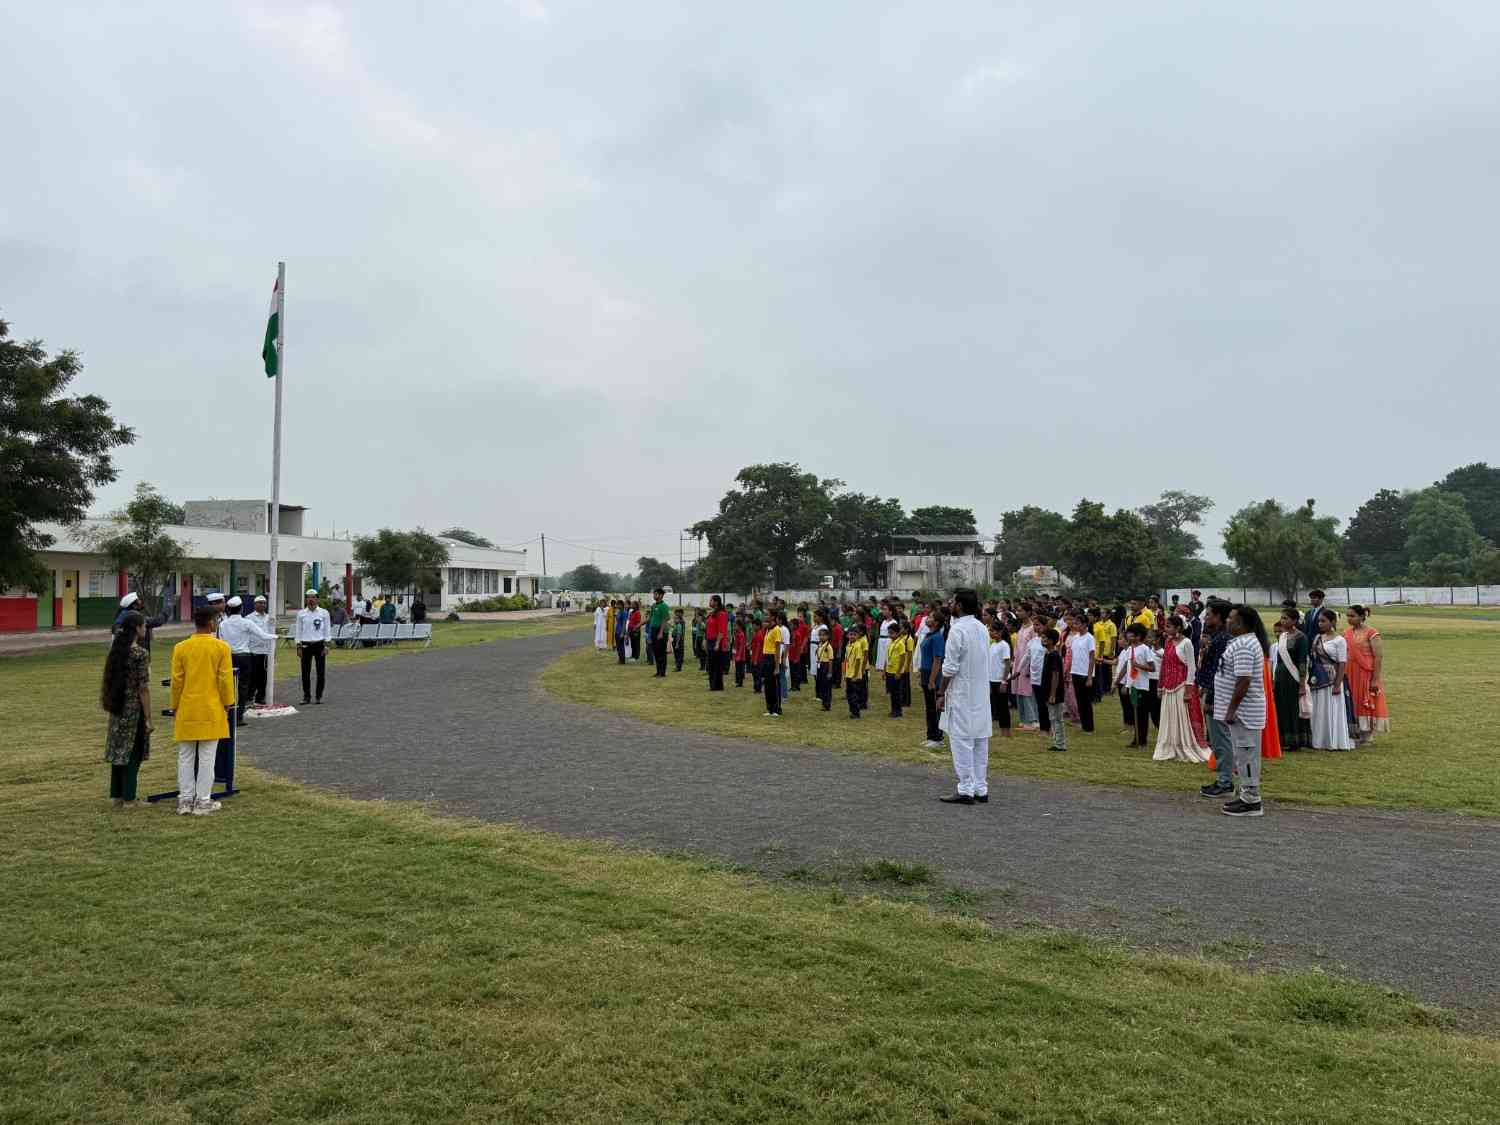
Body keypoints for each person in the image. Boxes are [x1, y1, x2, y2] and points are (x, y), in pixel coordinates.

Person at [169, 604, 235, 816]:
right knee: (207, 757)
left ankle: (185, 800)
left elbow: (176, 682)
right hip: (211, 708)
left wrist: (175, 706)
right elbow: (224, 679)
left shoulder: (181, 648)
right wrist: (228, 702)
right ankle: (203, 801)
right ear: (210, 623)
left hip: (187, 708)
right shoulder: (221, 648)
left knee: (185, 756)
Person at [936, 589, 991, 804]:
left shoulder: (958, 630)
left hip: (961, 692)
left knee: (961, 741)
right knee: (979, 740)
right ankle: (980, 787)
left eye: (952, 601)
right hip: (980, 692)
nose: (949, 604)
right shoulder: (981, 627)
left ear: (959, 606)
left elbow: (950, 667)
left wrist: (941, 692)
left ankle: (966, 788)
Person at [1216, 606, 1270, 817]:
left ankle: (1251, 801)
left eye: (1230, 618)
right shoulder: (1241, 642)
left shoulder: (1245, 645)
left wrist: (1231, 710)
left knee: (1247, 755)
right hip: (1242, 712)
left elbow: (1244, 680)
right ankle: (1246, 794)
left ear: (1240, 623)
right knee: (1242, 755)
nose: (1227, 621)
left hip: (1244, 713)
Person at [101, 609, 152, 809]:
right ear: (137, 628)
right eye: (144, 626)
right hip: (134, 709)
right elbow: (143, 688)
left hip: (117, 705)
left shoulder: (116, 650)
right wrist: (148, 717)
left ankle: (116, 795)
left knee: (118, 752)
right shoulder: (140, 653)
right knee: (133, 753)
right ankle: (130, 798)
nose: (146, 629)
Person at [1153, 615, 1210, 763]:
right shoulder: (1168, 642)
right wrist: (1160, 686)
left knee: (1183, 717)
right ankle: (1170, 745)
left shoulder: (1187, 643)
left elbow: (1191, 667)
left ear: (1178, 628)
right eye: (1166, 626)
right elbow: (1165, 665)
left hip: (1182, 685)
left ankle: (1186, 745)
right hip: (1168, 686)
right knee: (1170, 717)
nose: (1166, 629)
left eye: (1169, 626)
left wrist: (1188, 690)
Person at [1197, 600, 1237, 798]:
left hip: (1218, 695)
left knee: (1220, 739)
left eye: (1209, 614)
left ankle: (1225, 782)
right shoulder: (1218, 637)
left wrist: (1210, 698)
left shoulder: (1222, 639)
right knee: (1218, 738)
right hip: (1215, 693)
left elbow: (1217, 672)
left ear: (1219, 617)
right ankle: (1224, 779)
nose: (1205, 618)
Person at [218, 595, 277, 724]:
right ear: (241, 608)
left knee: (229, 686)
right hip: (244, 657)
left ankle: (229, 715)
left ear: (229, 609)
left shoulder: (223, 624)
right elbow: (263, 635)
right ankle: (239, 716)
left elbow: (221, 642)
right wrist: (275, 636)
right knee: (243, 687)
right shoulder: (246, 622)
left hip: (228, 656)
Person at [1309, 608, 1354, 750]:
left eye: (1323, 621)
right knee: (1319, 709)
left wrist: (1337, 684)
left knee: (1332, 709)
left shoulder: (1340, 640)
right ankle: (1318, 740)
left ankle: (1333, 740)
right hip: (1318, 678)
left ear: (1333, 621)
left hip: (1332, 679)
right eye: (1319, 621)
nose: (1320, 624)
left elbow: (1342, 663)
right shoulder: (1317, 638)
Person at [1343, 605, 1389, 745]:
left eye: (1352, 616)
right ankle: (1355, 731)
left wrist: (1375, 679)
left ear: (1362, 616)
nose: (1349, 619)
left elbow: (1378, 657)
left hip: (1365, 672)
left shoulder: (1372, 633)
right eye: (1348, 616)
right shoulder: (1346, 633)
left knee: (1365, 700)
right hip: (1350, 671)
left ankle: (1367, 734)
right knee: (1352, 700)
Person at [1272, 608, 1311, 751]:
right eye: (1282, 618)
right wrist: (1274, 679)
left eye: (1286, 618)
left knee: (1294, 708)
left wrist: (1302, 684)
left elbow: (1302, 662)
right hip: (1281, 676)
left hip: (1293, 677)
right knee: (1282, 706)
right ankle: (1284, 739)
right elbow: (1278, 660)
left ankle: (1296, 740)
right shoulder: (1282, 636)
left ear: (1294, 620)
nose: (1282, 621)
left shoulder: (1301, 637)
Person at [294, 589, 332, 705]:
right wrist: (298, 646)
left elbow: (327, 630)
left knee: (320, 672)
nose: (311, 599)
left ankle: (319, 696)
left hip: (319, 644)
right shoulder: (301, 614)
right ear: (306, 599)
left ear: (317, 599)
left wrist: (327, 645)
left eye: (313, 597)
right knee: (305, 672)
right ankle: (306, 696)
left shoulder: (324, 613)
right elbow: (298, 631)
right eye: (308, 597)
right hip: (305, 645)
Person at [1123, 623, 1155, 748]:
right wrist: (1126, 684)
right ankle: (1136, 739)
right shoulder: (1130, 649)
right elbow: (1128, 667)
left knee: (1142, 714)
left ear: (1138, 636)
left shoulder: (1145, 649)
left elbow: (1152, 668)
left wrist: (1138, 666)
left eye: (1131, 634)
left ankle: (1142, 740)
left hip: (1142, 685)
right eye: (1128, 634)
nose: (1128, 636)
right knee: (1134, 711)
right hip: (1133, 685)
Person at [918, 609, 946, 747]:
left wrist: (931, 680)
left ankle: (938, 738)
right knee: (929, 707)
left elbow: (937, 659)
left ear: (936, 622)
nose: (927, 618)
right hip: (925, 672)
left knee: (935, 708)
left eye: (930, 617)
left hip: (933, 675)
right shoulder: (928, 635)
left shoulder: (937, 637)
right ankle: (931, 735)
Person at [1038, 628, 1066, 752]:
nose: (1042, 640)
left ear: (1051, 640)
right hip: (1048, 691)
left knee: (1057, 718)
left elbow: (1056, 675)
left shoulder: (1054, 655)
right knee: (1052, 717)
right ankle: (1056, 742)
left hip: (1054, 692)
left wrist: (1053, 694)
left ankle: (1060, 744)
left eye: (1044, 638)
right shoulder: (1048, 654)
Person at [1067, 613, 1096, 733]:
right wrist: (1069, 671)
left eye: (1077, 623)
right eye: (1074, 623)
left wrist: (1089, 677)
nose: (1075, 625)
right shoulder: (1075, 638)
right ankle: (1083, 724)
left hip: (1085, 673)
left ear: (1084, 624)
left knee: (1086, 701)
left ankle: (1089, 726)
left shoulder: (1090, 638)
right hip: (1075, 672)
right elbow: (1072, 656)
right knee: (1079, 700)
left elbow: (1092, 658)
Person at [247, 595, 276, 703]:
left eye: (264, 603)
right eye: (260, 603)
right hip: (253, 651)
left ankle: (260, 697)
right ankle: (249, 697)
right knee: (252, 676)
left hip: (266, 651)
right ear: (255, 604)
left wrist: (273, 651)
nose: (262, 605)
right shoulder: (249, 618)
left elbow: (271, 633)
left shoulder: (270, 618)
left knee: (264, 677)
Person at [987, 618, 1012, 739]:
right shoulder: (992, 645)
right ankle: (1002, 730)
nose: (991, 633)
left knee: (1003, 707)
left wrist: (1004, 681)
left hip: (1000, 680)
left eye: (993, 631)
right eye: (990, 631)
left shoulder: (1004, 645)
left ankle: (1006, 731)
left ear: (1000, 632)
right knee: (996, 706)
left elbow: (1007, 664)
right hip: (992, 679)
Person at [1010, 616, 1037, 729]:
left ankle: (1032, 720)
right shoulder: (1021, 627)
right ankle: (1023, 719)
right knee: (1019, 691)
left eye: (1021, 611)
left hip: (1027, 663)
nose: (1018, 613)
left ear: (1028, 612)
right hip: (1018, 662)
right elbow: (1017, 647)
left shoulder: (1032, 629)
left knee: (1027, 691)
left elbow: (1033, 649)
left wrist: (1030, 665)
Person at [885, 621, 912, 718]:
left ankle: (898, 711)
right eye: (889, 633)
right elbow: (888, 657)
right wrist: (885, 670)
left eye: (892, 633)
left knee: (896, 692)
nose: (890, 635)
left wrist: (899, 671)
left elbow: (902, 658)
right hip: (889, 670)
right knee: (892, 692)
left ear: (897, 633)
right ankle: (893, 710)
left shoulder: (900, 643)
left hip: (896, 671)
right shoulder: (891, 642)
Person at [761, 611, 784, 717]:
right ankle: (769, 708)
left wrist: (777, 666)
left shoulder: (776, 629)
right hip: (766, 656)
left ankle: (776, 709)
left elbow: (778, 649)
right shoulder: (767, 629)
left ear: (773, 617)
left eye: (768, 615)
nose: (765, 617)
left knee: (774, 685)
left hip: (772, 657)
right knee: (767, 684)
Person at [844, 623, 869, 718]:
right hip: (848, 673)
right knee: (849, 693)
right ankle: (852, 710)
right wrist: (845, 672)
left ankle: (856, 712)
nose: (852, 636)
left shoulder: (858, 646)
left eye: (854, 635)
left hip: (855, 674)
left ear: (858, 636)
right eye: (850, 634)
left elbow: (858, 661)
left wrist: (855, 675)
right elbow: (846, 660)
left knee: (854, 694)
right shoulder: (848, 645)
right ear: (847, 635)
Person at [705, 596, 730, 691]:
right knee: (711, 664)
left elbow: (721, 630)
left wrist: (717, 643)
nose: (709, 602)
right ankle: (713, 684)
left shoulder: (722, 614)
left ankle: (716, 685)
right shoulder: (712, 613)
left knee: (716, 664)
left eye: (711, 600)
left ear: (716, 602)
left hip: (717, 641)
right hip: (710, 640)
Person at [647, 588, 671, 678]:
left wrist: (660, 633)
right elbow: (650, 618)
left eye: (656, 594)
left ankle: (662, 672)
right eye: (654, 594)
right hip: (654, 630)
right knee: (656, 652)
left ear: (661, 595)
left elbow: (665, 619)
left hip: (661, 631)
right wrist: (639, 624)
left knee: (661, 652)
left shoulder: (664, 606)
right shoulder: (653, 606)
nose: (654, 595)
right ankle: (658, 671)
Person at [814, 626, 834, 711]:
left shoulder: (828, 647)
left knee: (826, 687)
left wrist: (829, 672)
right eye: (820, 635)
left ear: (828, 636)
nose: (821, 637)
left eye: (823, 635)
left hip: (826, 666)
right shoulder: (820, 644)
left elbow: (830, 660)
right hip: (820, 665)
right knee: (821, 685)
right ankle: (823, 703)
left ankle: (827, 704)